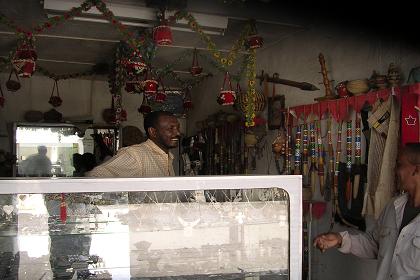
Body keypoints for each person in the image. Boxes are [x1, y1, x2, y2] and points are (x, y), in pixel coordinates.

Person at [313, 143, 420, 279]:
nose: (395, 170)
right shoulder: (393, 207)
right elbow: (375, 244)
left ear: (416, 170)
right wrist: (340, 239)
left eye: (400, 165)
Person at [87, 110, 181, 177]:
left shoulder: (167, 156)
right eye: (171, 128)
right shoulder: (135, 155)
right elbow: (95, 176)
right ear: (153, 132)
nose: (178, 133)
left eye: (178, 128)